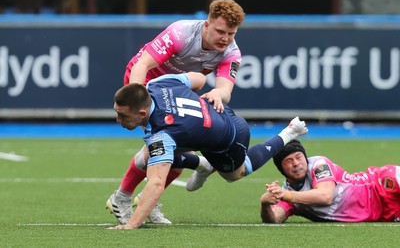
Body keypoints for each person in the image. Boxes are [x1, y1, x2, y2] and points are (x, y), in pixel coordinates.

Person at [106, 0, 246, 225]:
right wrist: (138, 98)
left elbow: (225, 90)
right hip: (147, 84)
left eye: (231, 33)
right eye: (221, 31)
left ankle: (141, 199)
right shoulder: (181, 32)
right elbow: (143, 64)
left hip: (178, 89)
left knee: (174, 152)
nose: (226, 39)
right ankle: (123, 197)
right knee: (161, 148)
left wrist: (218, 95)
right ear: (207, 24)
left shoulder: (231, 52)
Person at [108, 72, 308, 229]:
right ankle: (202, 165)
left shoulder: (161, 135)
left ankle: (289, 132)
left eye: (122, 116)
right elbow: (199, 78)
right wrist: (209, 96)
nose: (118, 120)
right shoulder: (157, 84)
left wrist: (131, 225)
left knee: (237, 173)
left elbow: (156, 183)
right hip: (216, 110)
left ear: (142, 113)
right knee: (153, 156)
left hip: (231, 139)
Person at [260, 140, 400, 223]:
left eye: (299, 157)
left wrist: (285, 195)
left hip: (380, 185)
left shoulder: (318, 164)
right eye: (289, 161)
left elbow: (325, 196)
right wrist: (266, 204)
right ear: (281, 169)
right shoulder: (288, 193)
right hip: (384, 213)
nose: (296, 163)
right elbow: (275, 219)